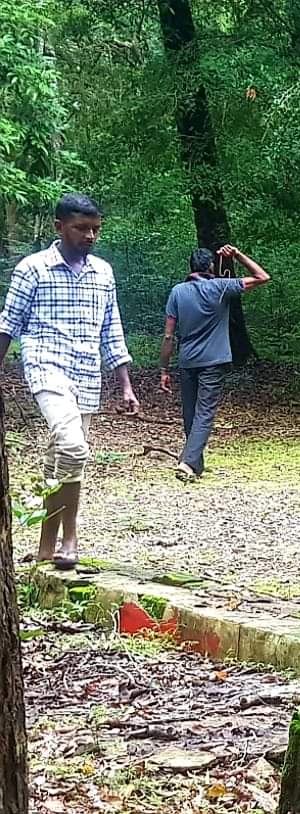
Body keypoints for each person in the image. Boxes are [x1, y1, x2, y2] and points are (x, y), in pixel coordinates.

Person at [0, 194, 139, 568]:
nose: (89, 236)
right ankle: (71, 537)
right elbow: (7, 324)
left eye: (95, 229)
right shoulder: (33, 268)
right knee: (74, 447)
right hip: (46, 367)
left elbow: (112, 330)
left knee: (61, 456)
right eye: (81, 228)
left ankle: (47, 546)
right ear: (59, 227)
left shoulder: (103, 273)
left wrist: (125, 385)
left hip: (87, 374)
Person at [159, 244, 270, 480]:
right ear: (210, 266)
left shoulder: (177, 291)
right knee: (204, 412)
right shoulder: (222, 287)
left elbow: (168, 335)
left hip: (187, 360)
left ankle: (193, 464)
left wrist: (164, 369)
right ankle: (189, 463)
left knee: (190, 413)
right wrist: (237, 255)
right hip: (214, 361)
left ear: (190, 267)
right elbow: (262, 277)